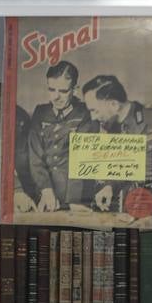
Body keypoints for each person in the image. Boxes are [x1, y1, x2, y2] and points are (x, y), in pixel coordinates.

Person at [81, 74, 152, 213]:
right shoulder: (111, 129)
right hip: (132, 206)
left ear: (114, 104)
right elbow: (123, 169)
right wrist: (109, 187)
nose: (93, 117)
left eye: (94, 110)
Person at [25, 60, 97, 213]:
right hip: (43, 195)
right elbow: (35, 156)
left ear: (75, 90)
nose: (56, 97)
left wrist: (74, 201)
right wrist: (45, 189)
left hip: (76, 198)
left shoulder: (86, 114)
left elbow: (81, 160)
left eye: (63, 91)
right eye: (51, 90)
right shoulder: (40, 112)